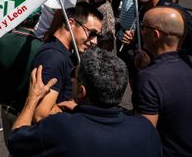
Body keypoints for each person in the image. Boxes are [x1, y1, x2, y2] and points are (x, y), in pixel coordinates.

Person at [9, 48, 162, 156]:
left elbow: (15, 141)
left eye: (74, 77)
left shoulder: (61, 127)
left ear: (81, 91)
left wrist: (32, 98)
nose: (71, 80)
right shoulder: (146, 129)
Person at [31, 2, 103, 122]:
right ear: (71, 24)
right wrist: (78, 111)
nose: (94, 41)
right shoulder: (54, 58)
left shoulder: (67, 53)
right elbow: (41, 115)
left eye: (98, 36)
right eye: (92, 33)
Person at [135, 7, 192, 156]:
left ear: (155, 34)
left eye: (143, 26)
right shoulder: (188, 66)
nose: (140, 31)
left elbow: (144, 136)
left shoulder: (149, 79)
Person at [0, 16, 43, 145]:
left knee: (10, 145)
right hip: (27, 112)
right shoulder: (42, 48)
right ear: (37, 21)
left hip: (6, 107)